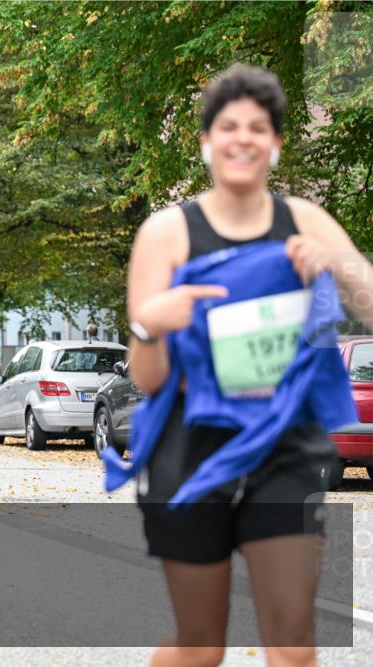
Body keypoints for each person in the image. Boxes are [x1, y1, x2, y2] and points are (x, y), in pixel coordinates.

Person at [123, 64, 373, 667]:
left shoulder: (304, 222)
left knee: (293, 644)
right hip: (190, 447)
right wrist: (152, 322)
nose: (243, 137)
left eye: (258, 127)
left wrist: (336, 266)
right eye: (228, 126)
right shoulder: (167, 233)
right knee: (201, 646)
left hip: (284, 447)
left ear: (276, 143)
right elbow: (146, 378)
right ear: (207, 142)